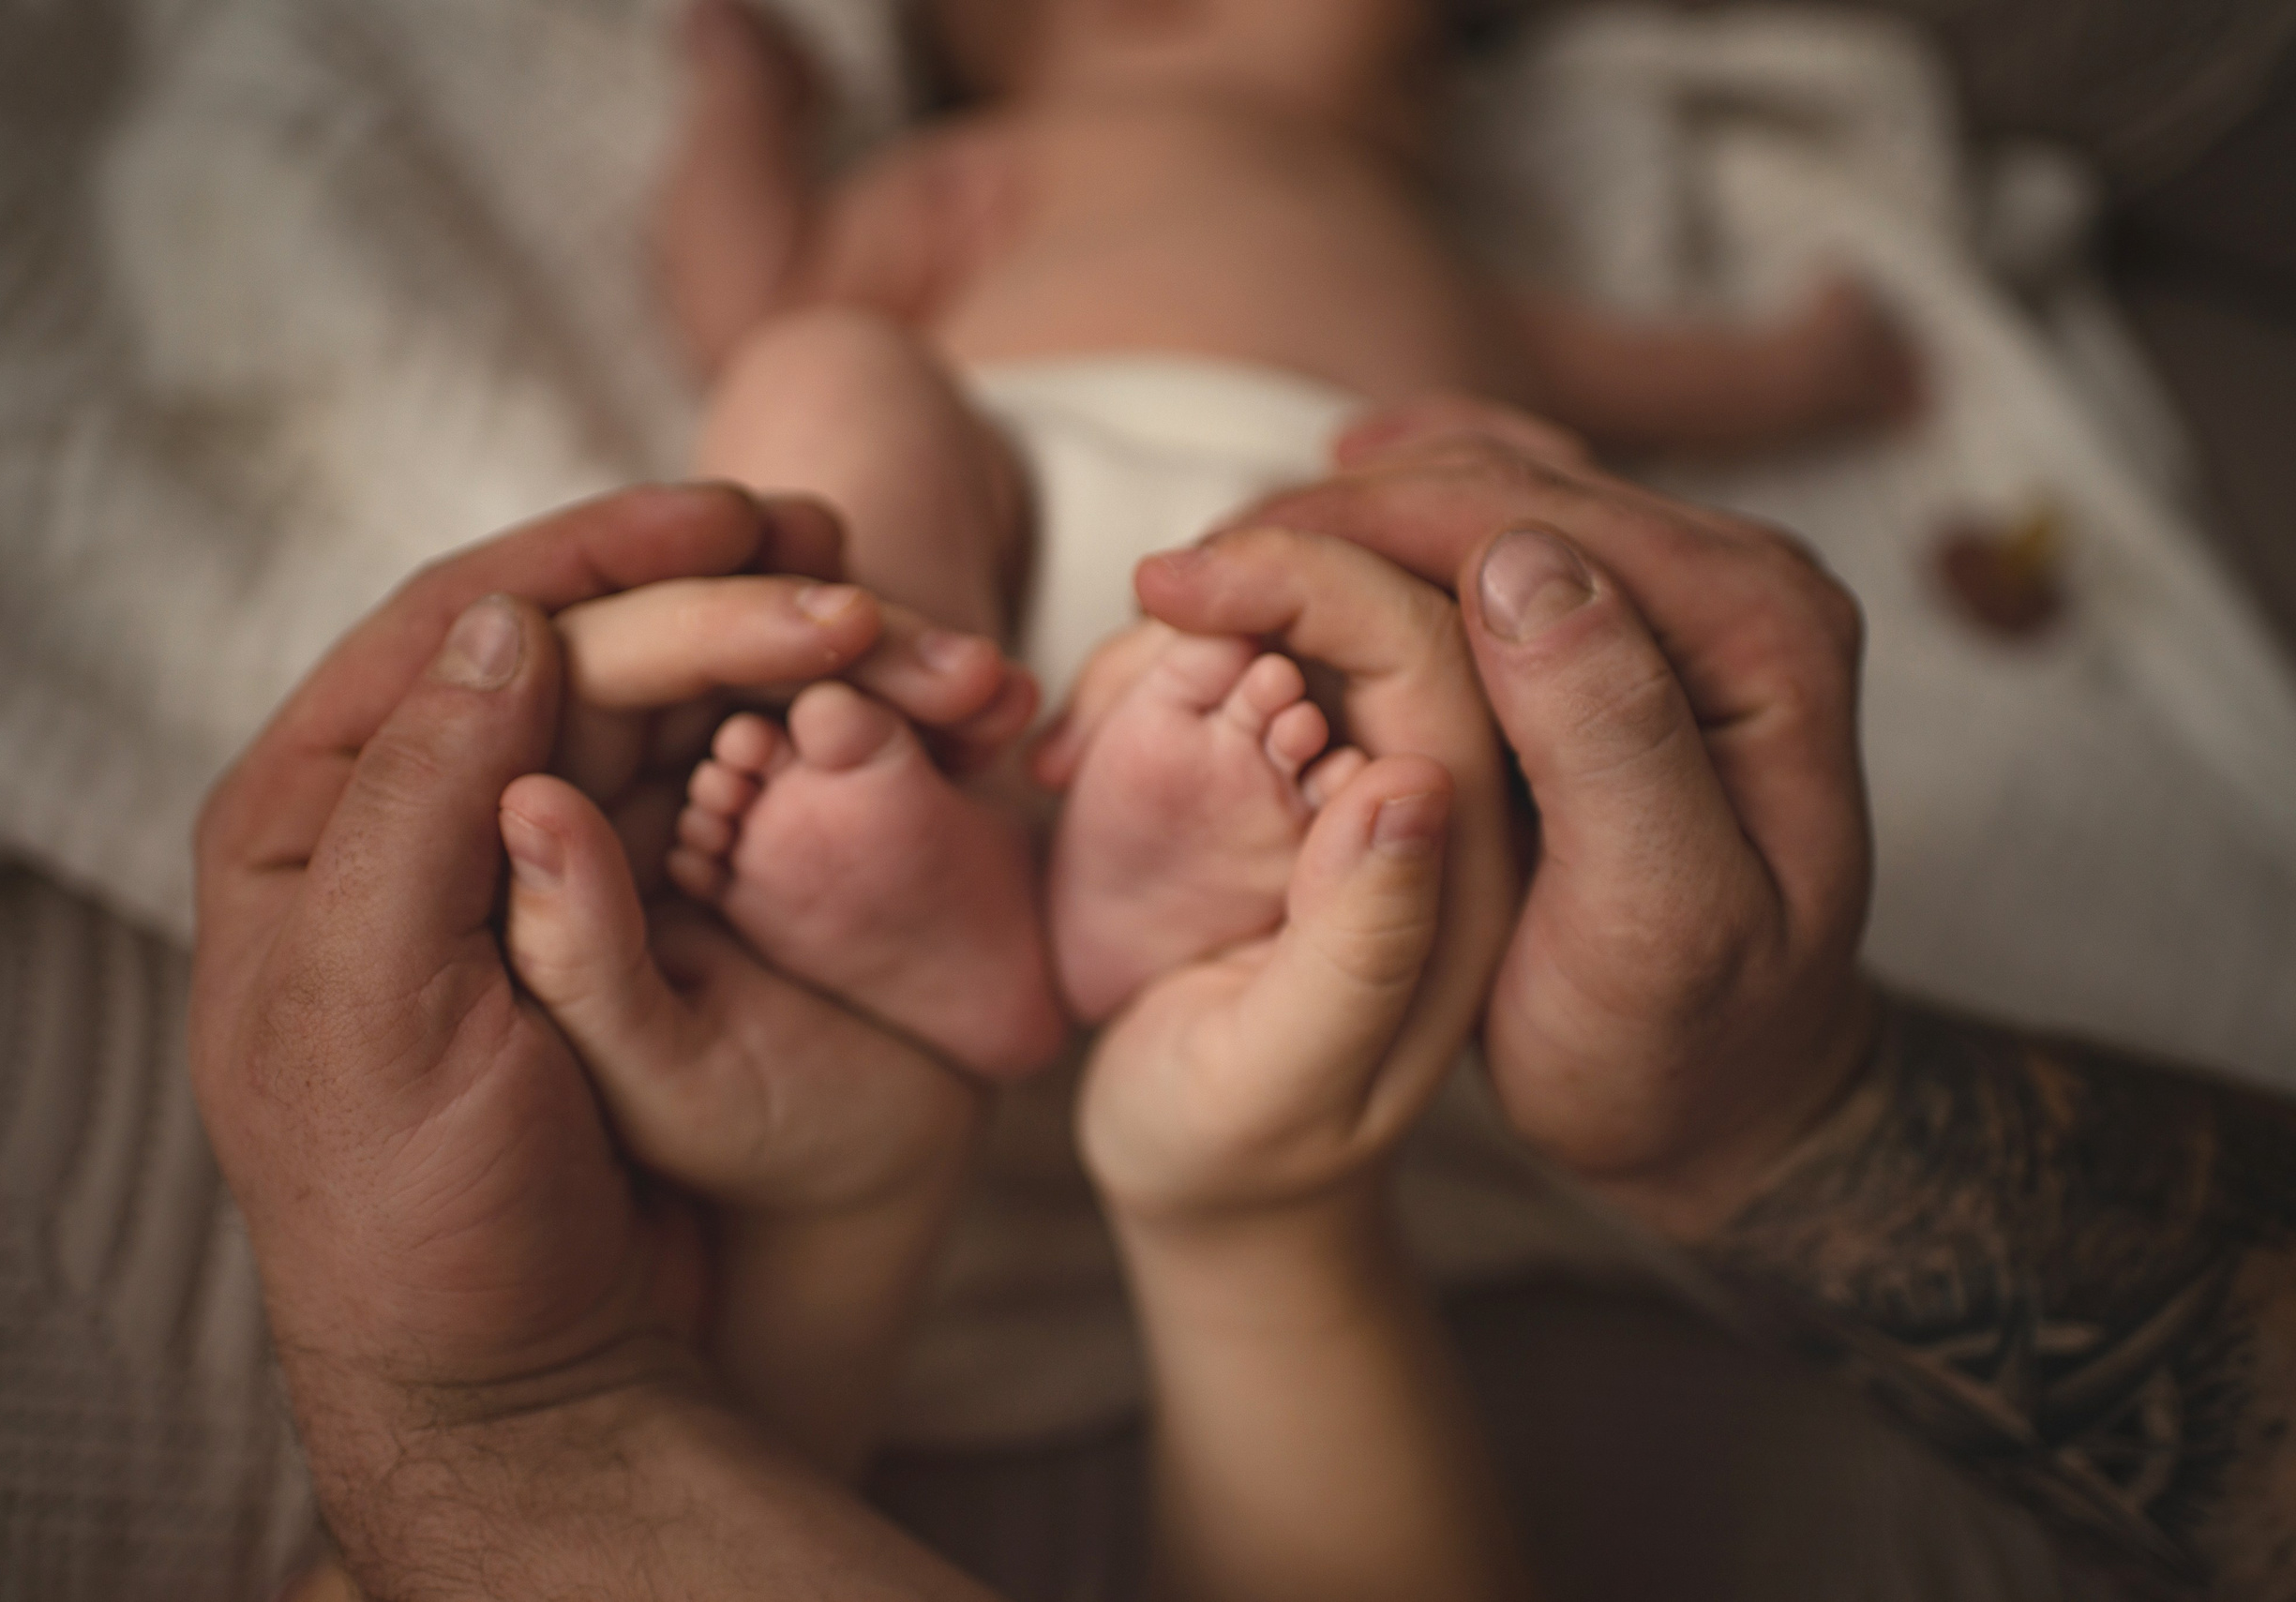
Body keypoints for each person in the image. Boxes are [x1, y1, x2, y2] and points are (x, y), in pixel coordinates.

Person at [195, 412, 2296, 1598]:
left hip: (1071, 576)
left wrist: (513, 1422)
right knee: (896, 431)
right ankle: (1194, 1141)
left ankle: (908, 908)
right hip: (1155, 565)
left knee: (848, 412)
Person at [644, 0, 1920, 1070]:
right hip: (1004, 513)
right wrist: (752, 106)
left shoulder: (1440, 247)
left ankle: (1160, 876)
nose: (1445, 67)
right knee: (825, 374)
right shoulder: (1011, 156)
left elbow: (1639, 380)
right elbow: (761, 292)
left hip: (1336, 573)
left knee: (1510, 530)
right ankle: (911, 793)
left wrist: (1804, 370)